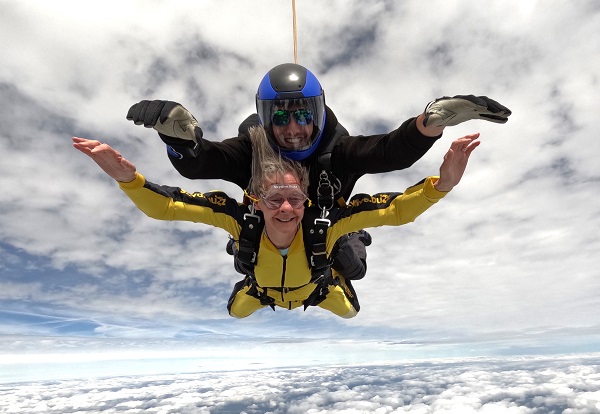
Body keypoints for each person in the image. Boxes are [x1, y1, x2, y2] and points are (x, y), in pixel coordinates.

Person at [126, 63, 510, 288]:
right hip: (270, 227)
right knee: (247, 263)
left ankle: (352, 232)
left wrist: (428, 125)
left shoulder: (338, 152)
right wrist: (181, 140)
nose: (292, 127)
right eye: (279, 116)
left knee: (353, 268)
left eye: (303, 114)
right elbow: (205, 162)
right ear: (263, 118)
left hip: (329, 227)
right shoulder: (251, 149)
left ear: (319, 113)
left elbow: (389, 150)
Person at [72, 125, 480, 318]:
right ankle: (250, 278)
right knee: (235, 312)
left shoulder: (325, 222)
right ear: (256, 200)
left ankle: (340, 263)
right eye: (274, 199)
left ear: (306, 199)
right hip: (262, 290)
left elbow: (395, 210)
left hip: (317, 288)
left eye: (295, 199)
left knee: (353, 309)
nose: (286, 209)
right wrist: (129, 179)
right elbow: (170, 206)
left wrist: (441, 185)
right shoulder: (240, 220)